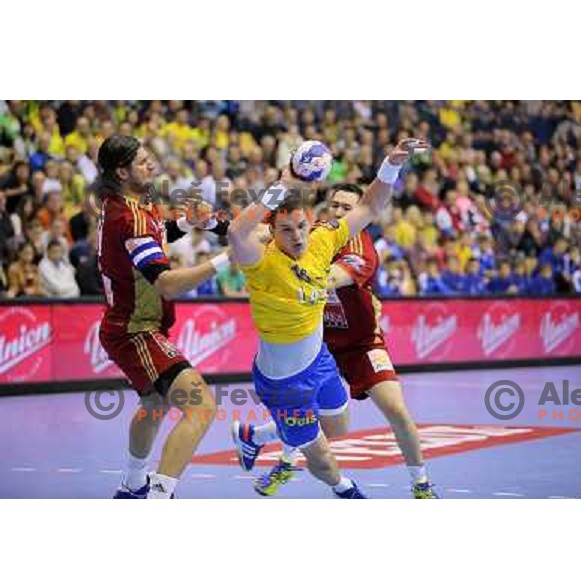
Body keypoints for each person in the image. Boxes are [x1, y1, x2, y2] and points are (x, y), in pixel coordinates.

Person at [228, 138, 429, 499]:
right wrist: (286, 185)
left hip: (321, 359)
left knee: (337, 428)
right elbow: (237, 232)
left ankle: (255, 436)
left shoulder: (322, 240)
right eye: (286, 230)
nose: (297, 237)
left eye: (301, 227)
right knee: (322, 459)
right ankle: (345, 490)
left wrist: (391, 164)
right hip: (284, 381)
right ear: (272, 233)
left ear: (312, 223)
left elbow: (369, 205)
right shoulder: (259, 262)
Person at [95, 135, 229, 499]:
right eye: (141, 162)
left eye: (148, 157)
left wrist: (189, 225)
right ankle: (159, 495)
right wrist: (230, 258)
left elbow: (158, 235)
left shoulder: (133, 201)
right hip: (135, 330)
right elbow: (167, 285)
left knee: (154, 404)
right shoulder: (130, 218)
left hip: (133, 325)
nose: (151, 165)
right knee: (201, 406)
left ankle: (132, 484)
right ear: (121, 172)